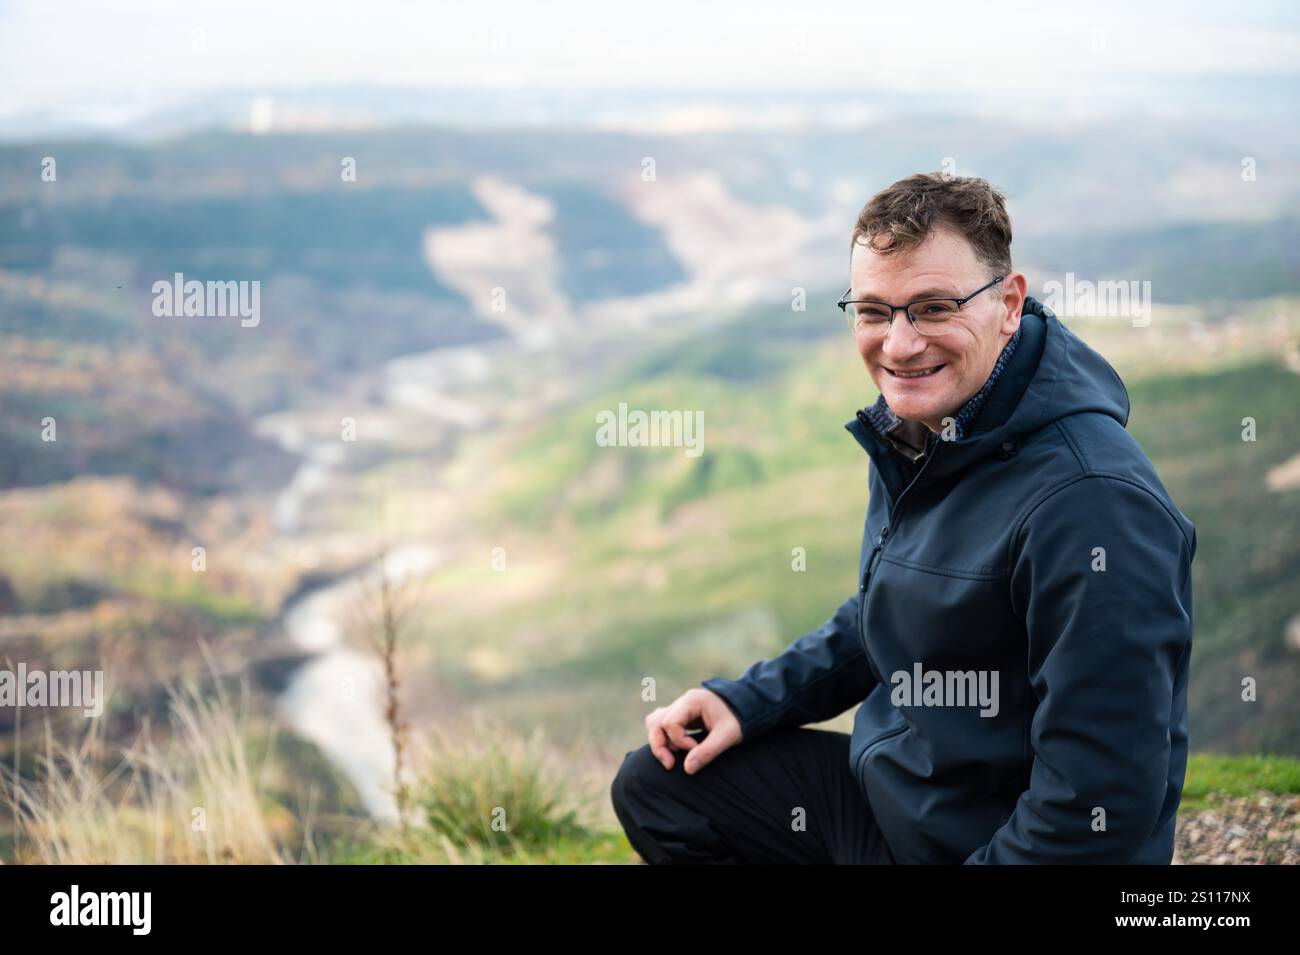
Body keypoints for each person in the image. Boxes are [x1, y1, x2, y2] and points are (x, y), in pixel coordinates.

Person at [610, 172, 1197, 864]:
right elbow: (892, 609)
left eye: (933, 307)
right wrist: (748, 702)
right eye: (873, 312)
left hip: (996, 843)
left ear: (1009, 304)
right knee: (662, 786)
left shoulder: (1093, 505)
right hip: (899, 810)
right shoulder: (924, 428)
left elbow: (1097, 806)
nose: (898, 345)